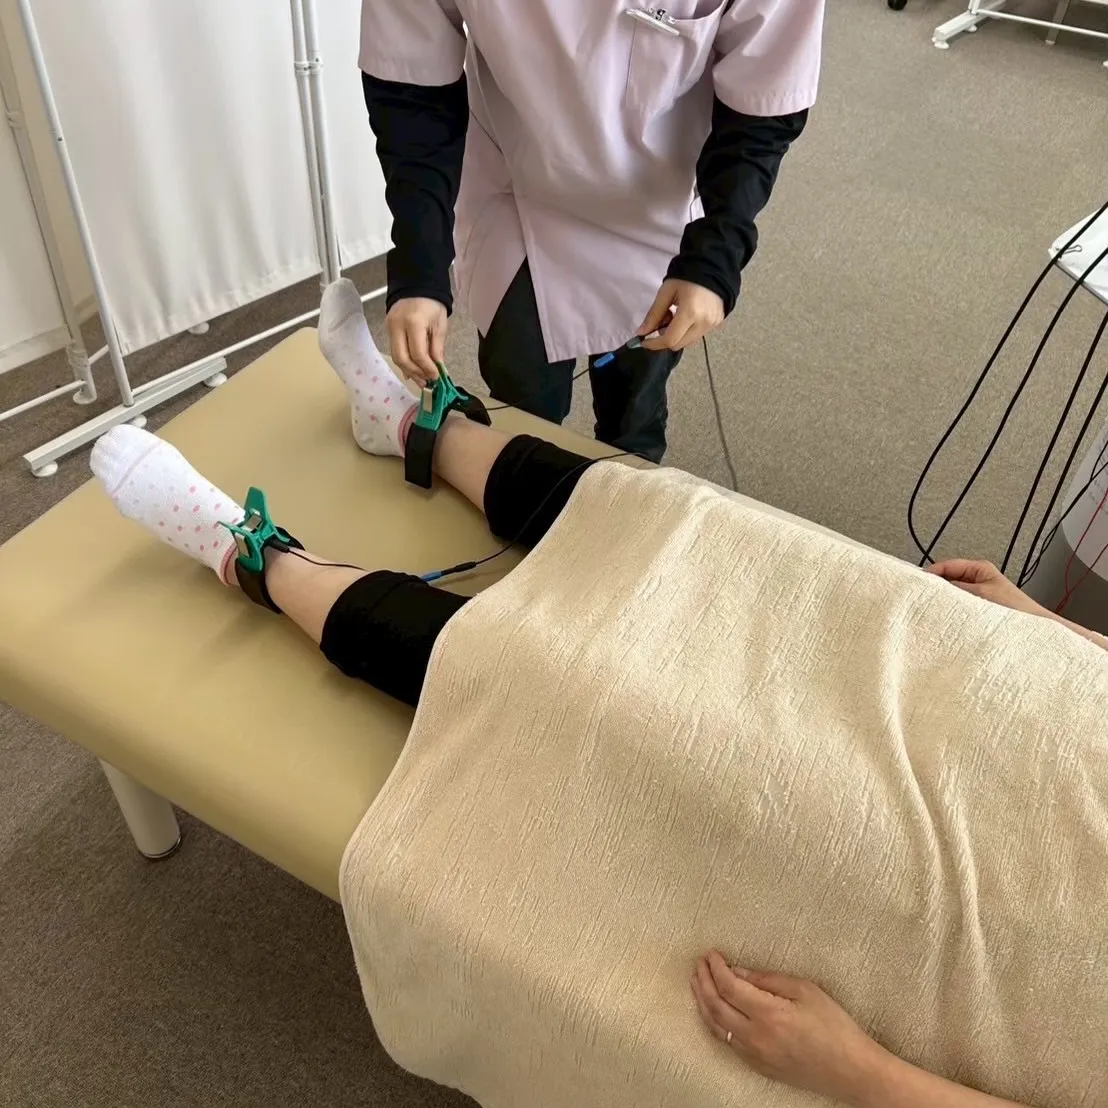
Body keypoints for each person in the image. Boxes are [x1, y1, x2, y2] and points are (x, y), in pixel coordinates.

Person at [90, 280, 1101, 1107]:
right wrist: (1053, 627)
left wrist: (855, 1070)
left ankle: (253, 557)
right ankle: (410, 424)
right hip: (1039, 704)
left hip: (999, 927)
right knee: (700, 536)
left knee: (578, 698)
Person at [359, 0, 823, 462]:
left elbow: (764, 100)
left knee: (634, 423)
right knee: (524, 420)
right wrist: (419, 268)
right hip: (518, 193)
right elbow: (409, 89)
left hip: (656, 215)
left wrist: (715, 257)